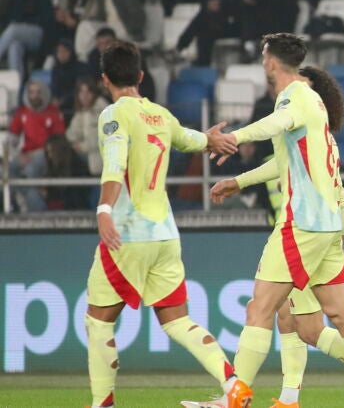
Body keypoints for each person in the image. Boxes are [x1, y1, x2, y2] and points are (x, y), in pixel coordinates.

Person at [202, 34, 344, 408]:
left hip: (302, 223)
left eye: (264, 57)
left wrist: (231, 138)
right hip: (326, 226)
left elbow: (275, 123)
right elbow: (283, 161)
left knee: (261, 308)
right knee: (340, 315)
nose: (263, 63)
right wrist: (238, 181)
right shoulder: (313, 107)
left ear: (270, 62)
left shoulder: (294, 97)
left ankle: (235, 398)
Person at [84, 40, 238, 408]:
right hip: (166, 235)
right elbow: (189, 139)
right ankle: (233, 385)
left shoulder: (113, 114)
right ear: (140, 76)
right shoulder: (161, 115)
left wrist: (104, 210)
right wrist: (211, 139)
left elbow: (115, 164)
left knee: (98, 322)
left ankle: (103, 403)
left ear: (104, 79)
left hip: (127, 234)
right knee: (177, 322)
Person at [9, 79, 66, 212]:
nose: (34, 96)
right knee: (10, 169)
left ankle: (34, 209)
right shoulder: (21, 112)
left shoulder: (53, 112)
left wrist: (42, 152)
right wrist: (18, 154)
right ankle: (30, 202)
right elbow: (12, 139)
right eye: (31, 92)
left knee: (30, 171)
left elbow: (58, 140)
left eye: (37, 92)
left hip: (46, 153)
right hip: (25, 153)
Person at [176, 0, 243, 67]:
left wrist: (221, 4)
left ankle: (181, 46)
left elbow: (237, 5)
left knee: (202, 18)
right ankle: (201, 63)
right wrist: (209, 6)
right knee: (204, 27)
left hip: (232, 25)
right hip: (213, 25)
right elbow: (204, 4)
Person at [2, 0, 54, 81]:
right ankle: (17, 84)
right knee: (14, 46)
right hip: (22, 37)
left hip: (40, 34)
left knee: (14, 29)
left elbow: (46, 18)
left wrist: (25, 23)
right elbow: (12, 20)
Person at [66, 79, 108, 175]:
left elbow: (100, 140)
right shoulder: (82, 111)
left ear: (94, 93)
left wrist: (81, 146)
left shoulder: (102, 109)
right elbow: (71, 133)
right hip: (85, 154)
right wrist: (74, 143)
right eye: (81, 92)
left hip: (100, 155)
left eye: (88, 92)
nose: (84, 96)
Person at [43, 133, 91, 210]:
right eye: (48, 152)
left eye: (51, 152)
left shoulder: (77, 166)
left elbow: (76, 194)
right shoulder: (52, 166)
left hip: (76, 208)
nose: (49, 156)